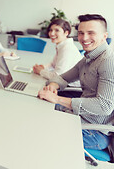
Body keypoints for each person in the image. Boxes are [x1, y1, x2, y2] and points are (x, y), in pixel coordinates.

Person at [38, 14, 114, 152]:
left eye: (91, 33)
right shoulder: (88, 58)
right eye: (81, 33)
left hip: (94, 132)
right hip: (79, 117)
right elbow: (64, 78)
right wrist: (53, 85)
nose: (84, 38)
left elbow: (105, 106)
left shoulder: (108, 61)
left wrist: (56, 98)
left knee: (41, 132)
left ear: (104, 36)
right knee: (38, 112)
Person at [33, 19, 82, 87]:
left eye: (57, 30)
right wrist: (43, 67)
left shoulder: (67, 49)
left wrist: (41, 71)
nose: (52, 33)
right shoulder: (62, 45)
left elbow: (58, 77)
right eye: (50, 30)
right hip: (64, 83)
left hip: (70, 87)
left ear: (66, 33)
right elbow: (53, 64)